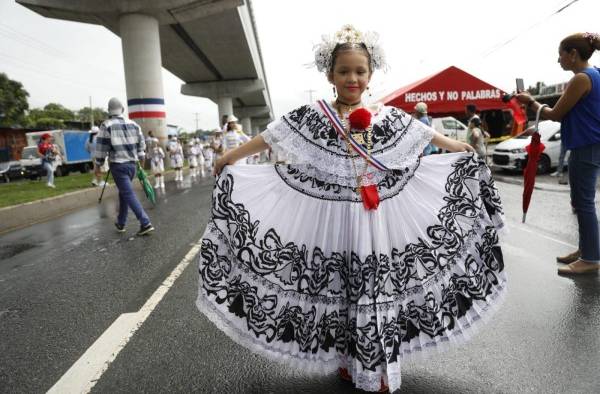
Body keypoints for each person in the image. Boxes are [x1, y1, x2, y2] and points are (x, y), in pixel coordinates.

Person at [196, 25, 506, 393]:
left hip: (375, 220)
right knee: (343, 287)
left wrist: (455, 145)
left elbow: (423, 135)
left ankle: (379, 370)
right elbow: (271, 137)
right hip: (334, 219)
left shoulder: (384, 115)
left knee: (374, 286)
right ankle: (349, 360)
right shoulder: (314, 116)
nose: (352, 78)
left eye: (360, 71)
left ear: (371, 75)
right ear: (330, 75)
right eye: (344, 71)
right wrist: (232, 155)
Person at [517, 32, 600, 275]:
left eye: (560, 55)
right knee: (581, 201)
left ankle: (591, 258)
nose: (558, 60)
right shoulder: (594, 75)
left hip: (586, 146)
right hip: (589, 145)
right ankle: (587, 249)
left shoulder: (582, 79)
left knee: (583, 204)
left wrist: (530, 100)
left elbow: (555, 114)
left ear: (573, 55)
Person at [94, 97, 154, 236]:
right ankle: (121, 222)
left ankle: (145, 222)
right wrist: (141, 163)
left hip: (118, 166)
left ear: (109, 111)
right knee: (124, 193)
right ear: (122, 109)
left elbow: (101, 148)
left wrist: (98, 165)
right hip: (132, 166)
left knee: (127, 193)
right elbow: (141, 147)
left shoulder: (106, 125)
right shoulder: (134, 124)